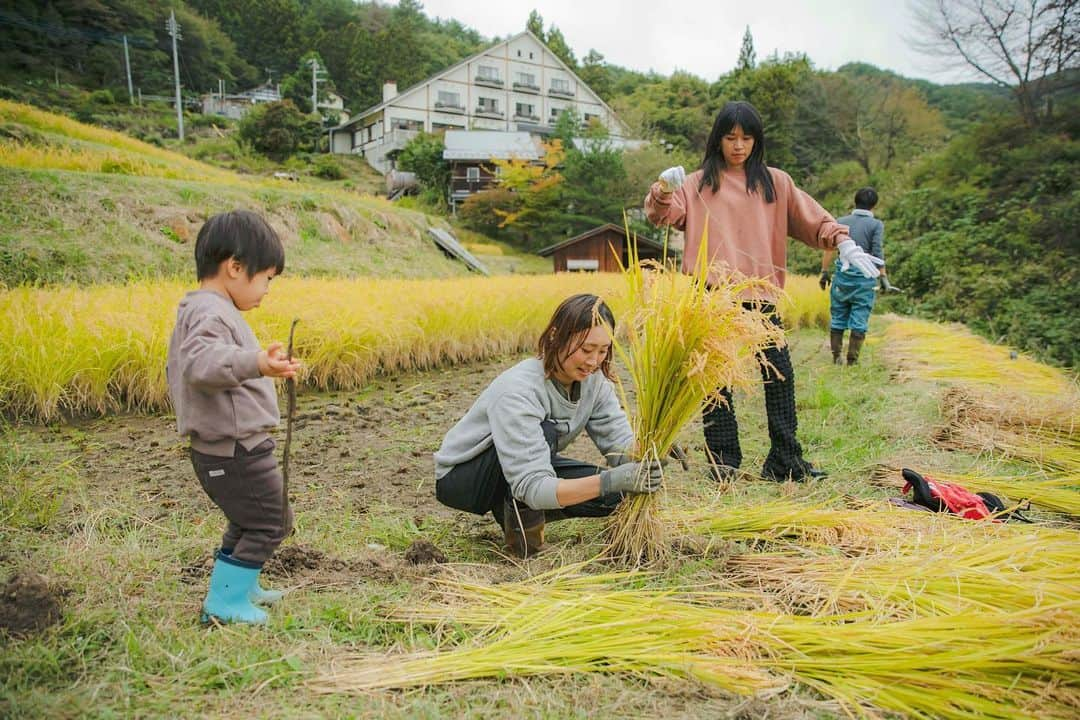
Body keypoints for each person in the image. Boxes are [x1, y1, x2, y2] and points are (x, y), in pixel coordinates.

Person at [644, 100, 880, 483]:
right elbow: (663, 215)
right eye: (731, 137)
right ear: (718, 139)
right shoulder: (698, 182)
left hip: (760, 292)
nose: (739, 146)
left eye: (747, 137)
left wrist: (842, 242)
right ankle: (724, 463)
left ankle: (785, 460)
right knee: (715, 379)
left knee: (779, 374)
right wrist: (663, 191)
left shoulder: (776, 182)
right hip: (710, 293)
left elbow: (811, 218)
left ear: (757, 141)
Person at [434, 294, 663, 558]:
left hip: (524, 464)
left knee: (619, 494)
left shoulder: (595, 383)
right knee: (548, 435)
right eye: (586, 350)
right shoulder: (520, 390)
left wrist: (652, 449)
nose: (593, 361)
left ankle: (508, 505)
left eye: (603, 351)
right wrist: (607, 480)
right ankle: (525, 543)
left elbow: (619, 446)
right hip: (465, 477)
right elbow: (533, 484)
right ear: (556, 336)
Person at [166, 210, 301, 625]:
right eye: (267, 278)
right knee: (268, 522)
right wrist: (257, 362)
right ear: (235, 268)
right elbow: (202, 364)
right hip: (232, 449)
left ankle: (241, 583)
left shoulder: (212, 308)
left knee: (250, 518)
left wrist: (261, 364)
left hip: (237, 445)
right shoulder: (209, 312)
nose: (267, 290)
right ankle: (225, 602)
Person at [819, 187, 901, 365]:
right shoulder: (876, 225)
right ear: (874, 205)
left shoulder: (841, 221)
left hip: (843, 275)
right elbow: (877, 251)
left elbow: (829, 248)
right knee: (860, 314)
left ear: (855, 201)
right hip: (864, 277)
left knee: (839, 313)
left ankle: (836, 356)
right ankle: (852, 359)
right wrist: (884, 278)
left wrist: (824, 272)